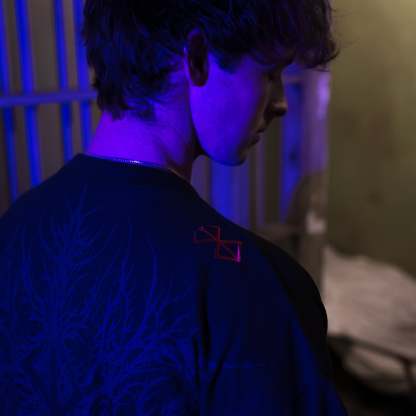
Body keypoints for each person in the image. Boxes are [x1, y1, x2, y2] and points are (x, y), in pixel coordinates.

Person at [0, 0, 348, 414]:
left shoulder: (14, 233)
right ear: (197, 58)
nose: (281, 102)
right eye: (270, 72)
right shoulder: (255, 289)